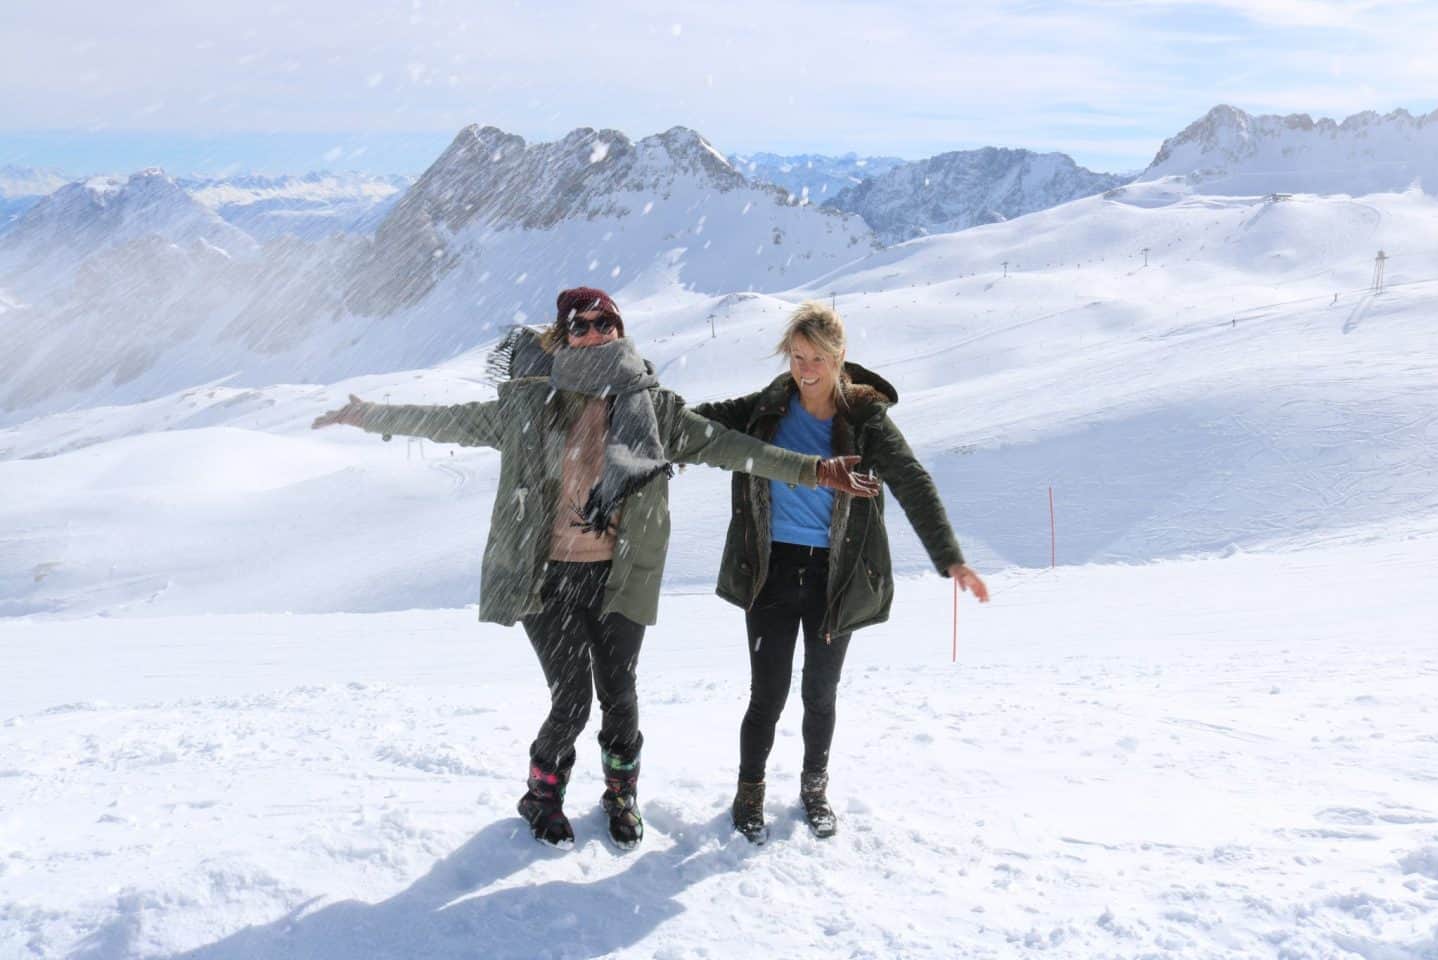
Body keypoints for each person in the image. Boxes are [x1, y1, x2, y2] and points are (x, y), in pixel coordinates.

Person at [311, 287, 879, 850]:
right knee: (571, 698)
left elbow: (729, 447)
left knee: (619, 693)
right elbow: (447, 421)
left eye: (603, 322)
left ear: (620, 330)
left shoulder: (652, 410)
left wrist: (815, 471)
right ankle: (542, 796)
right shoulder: (528, 405)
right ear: (561, 338)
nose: (592, 333)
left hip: (618, 574)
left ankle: (620, 792)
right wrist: (368, 415)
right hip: (545, 576)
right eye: (579, 326)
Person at [694, 300, 989, 844]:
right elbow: (694, 421)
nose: (805, 370)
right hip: (771, 571)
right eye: (797, 357)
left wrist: (950, 556)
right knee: (768, 693)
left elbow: (912, 480)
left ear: (840, 357)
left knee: (819, 694)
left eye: (817, 359)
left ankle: (814, 789)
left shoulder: (865, 419)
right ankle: (749, 791)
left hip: (837, 576)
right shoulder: (767, 408)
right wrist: (639, 406)